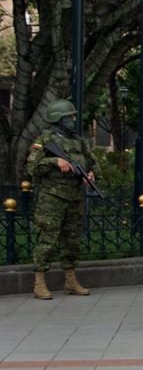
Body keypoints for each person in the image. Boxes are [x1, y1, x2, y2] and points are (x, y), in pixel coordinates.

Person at [27, 99, 98, 300]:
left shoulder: (80, 141)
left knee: (73, 240)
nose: (73, 120)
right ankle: (39, 281)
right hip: (52, 198)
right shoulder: (45, 140)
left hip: (74, 197)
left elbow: (93, 163)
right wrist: (54, 160)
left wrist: (91, 174)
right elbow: (32, 168)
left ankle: (71, 280)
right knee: (47, 240)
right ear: (58, 119)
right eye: (69, 117)